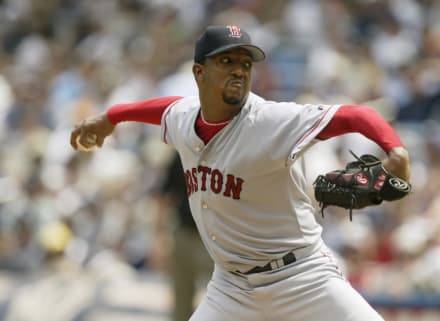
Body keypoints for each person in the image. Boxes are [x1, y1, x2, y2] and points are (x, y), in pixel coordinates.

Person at [71, 25, 410, 321]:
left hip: (302, 276)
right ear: (198, 73)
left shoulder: (271, 121)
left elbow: (355, 115)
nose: (239, 71)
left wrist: (395, 150)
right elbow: (163, 109)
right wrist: (110, 117)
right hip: (232, 288)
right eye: (226, 61)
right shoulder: (184, 118)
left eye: (245, 64)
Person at [158, 152, 213, 321]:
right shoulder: (183, 150)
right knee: (181, 301)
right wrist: (159, 237)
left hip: (217, 239)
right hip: (184, 234)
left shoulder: (231, 146)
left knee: (226, 302)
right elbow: (164, 196)